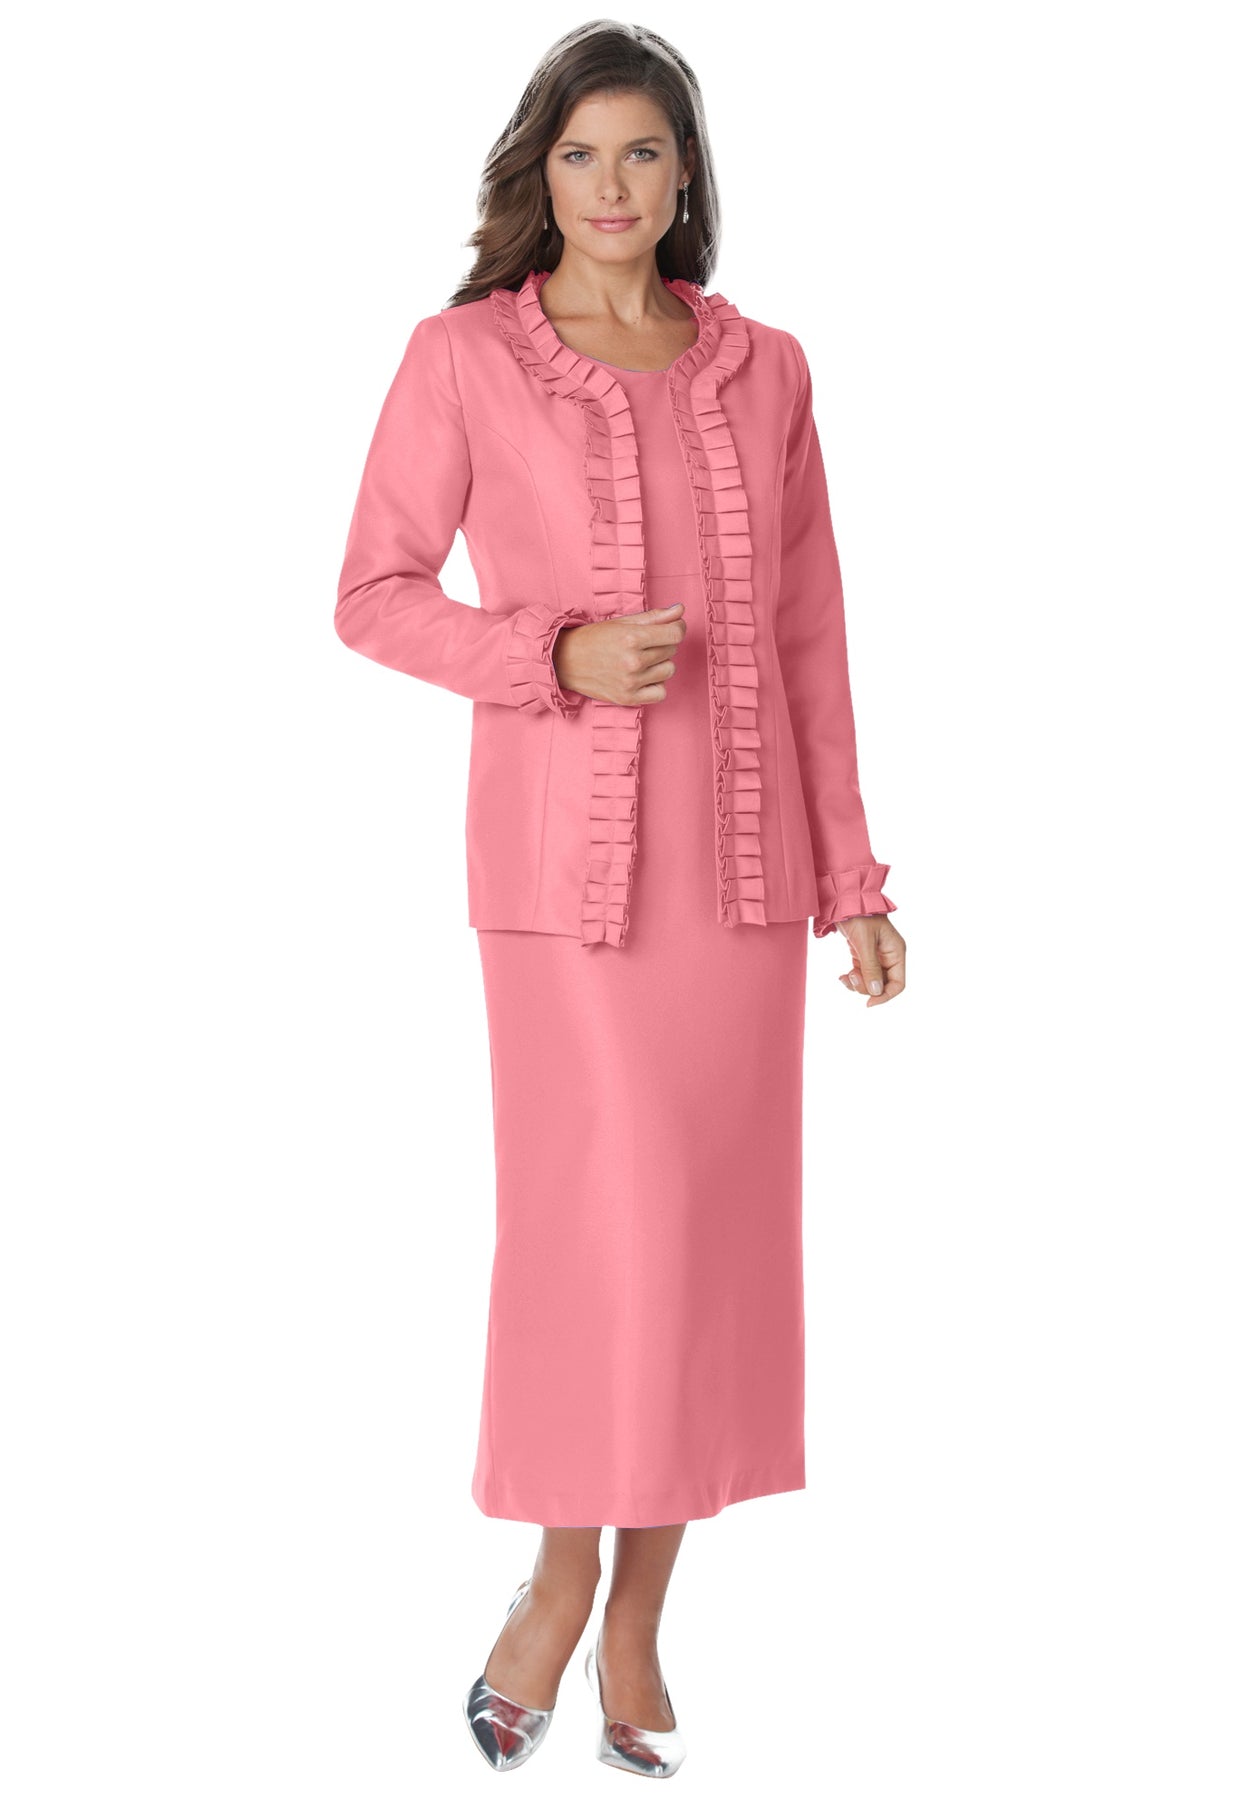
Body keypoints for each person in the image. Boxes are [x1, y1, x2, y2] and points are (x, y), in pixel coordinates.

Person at [334, 20, 907, 1780]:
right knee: (599, 1240)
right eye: (579, 154)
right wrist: (553, 652)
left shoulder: (768, 369)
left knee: (711, 1243)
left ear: (685, 176)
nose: (610, 185)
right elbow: (372, 593)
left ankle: (643, 1610)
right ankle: (560, 1577)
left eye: (642, 152)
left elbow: (809, 643)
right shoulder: (462, 359)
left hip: (739, 879)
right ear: (539, 172)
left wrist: (850, 881)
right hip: (565, 886)